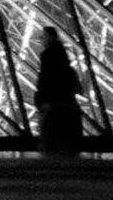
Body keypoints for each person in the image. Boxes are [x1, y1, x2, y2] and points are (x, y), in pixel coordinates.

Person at [34, 27, 82, 156]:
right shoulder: (63, 55)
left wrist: (41, 98)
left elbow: (45, 79)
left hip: (52, 100)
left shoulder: (47, 55)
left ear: (50, 37)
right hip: (64, 99)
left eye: (43, 37)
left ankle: (50, 157)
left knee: (49, 134)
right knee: (61, 136)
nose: (40, 39)